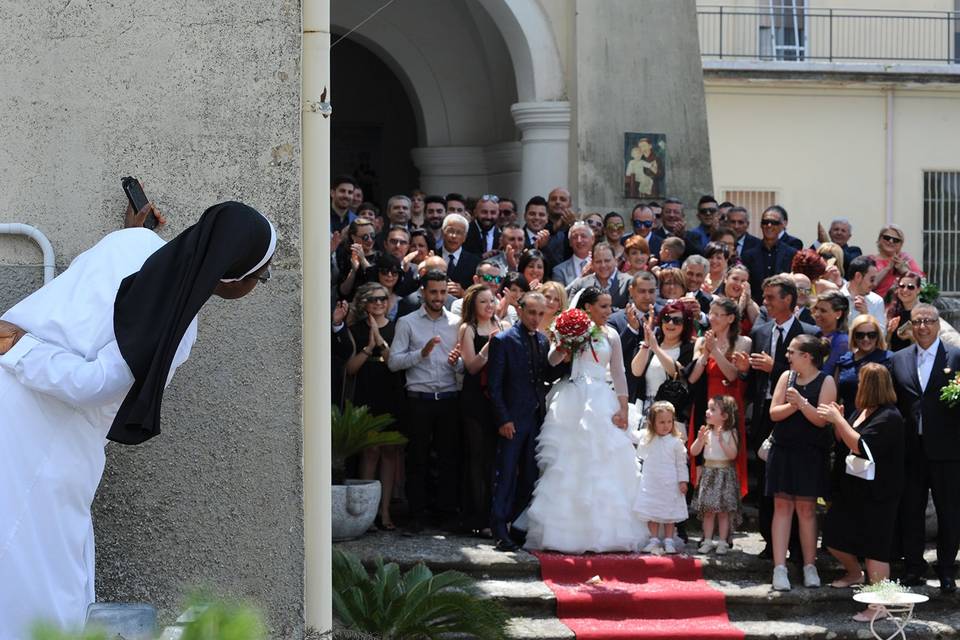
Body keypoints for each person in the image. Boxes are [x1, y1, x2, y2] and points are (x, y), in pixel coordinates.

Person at [0, 200, 275, 636]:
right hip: (43, 432)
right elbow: (96, 385)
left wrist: (135, 228)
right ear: (234, 272)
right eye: (262, 275)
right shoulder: (178, 323)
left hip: (16, 404)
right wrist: (17, 350)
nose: (257, 284)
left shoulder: (133, 241)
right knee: (37, 568)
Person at [524, 287, 642, 553]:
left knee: (603, 460)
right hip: (572, 394)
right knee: (568, 460)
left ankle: (607, 532)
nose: (608, 311)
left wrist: (623, 409)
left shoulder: (611, 335)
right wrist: (566, 345)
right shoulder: (571, 329)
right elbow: (552, 359)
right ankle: (563, 531)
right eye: (603, 306)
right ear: (588, 307)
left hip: (602, 397)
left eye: (610, 306)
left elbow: (620, 373)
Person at [816, 364, 904, 622]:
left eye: (861, 381)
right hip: (854, 489)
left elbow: (863, 447)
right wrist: (840, 422)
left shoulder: (890, 416)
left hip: (880, 494)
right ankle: (854, 573)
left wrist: (839, 420)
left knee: (876, 550)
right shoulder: (863, 411)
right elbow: (846, 440)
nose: (856, 386)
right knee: (833, 535)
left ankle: (880, 606)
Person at [748, 275, 821, 557]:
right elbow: (754, 378)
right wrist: (747, 367)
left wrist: (775, 367)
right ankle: (770, 541)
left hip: (800, 414)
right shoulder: (761, 331)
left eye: (770, 298)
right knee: (769, 480)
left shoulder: (810, 332)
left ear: (788, 299)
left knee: (797, 484)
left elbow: (811, 374)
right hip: (767, 412)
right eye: (764, 297)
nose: (765, 303)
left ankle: (797, 546)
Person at [890, 303, 960, 592]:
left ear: (938, 323)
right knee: (911, 511)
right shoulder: (899, 359)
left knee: (949, 512)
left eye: (928, 321)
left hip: (948, 451)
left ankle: (945, 569)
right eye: (917, 321)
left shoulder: (956, 356)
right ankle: (913, 567)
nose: (922, 326)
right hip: (911, 450)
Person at [387, 270, 462, 532]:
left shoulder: (456, 322)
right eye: (434, 292)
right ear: (423, 292)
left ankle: (446, 513)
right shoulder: (407, 322)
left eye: (443, 292)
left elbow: (464, 365)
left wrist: (458, 363)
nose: (439, 297)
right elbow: (393, 362)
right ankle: (417, 515)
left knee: (448, 459)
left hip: (449, 398)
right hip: (418, 399)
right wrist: (422, 353)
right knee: (416, 459)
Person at [766, 335, 838, 591]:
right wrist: (794, 406)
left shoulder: (826, 380)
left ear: (807, 356)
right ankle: (779, 568)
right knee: (782, 508)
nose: (788, 356)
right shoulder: (786, 377)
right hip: (783, 451)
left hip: (810, 453)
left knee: (807, 511)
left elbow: (822, 419)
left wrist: (802, 403)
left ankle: (810, 566)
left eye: (792, 352)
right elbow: (774, 413)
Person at [486, 291, 554, 551]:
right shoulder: (503, 340)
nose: (536, 318)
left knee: (529, 476)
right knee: (505, 476)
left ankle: (514, 523)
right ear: (521, 311)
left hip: (536, 418)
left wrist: (567, 353)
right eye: (532, 313)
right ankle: (499, 528)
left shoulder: (542, 339)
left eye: (540, 313)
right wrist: (503, 418)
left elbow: (547, 373)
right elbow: (494, 386)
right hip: (512, 419)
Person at [344, 282, 406, 531]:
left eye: (382, 298)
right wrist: (369, 347)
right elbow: (350, 369)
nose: (379, 303)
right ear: (363, 303)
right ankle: (366, 514)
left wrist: (380, 341)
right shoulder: (354, 329)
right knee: (369, 451)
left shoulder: (396, 327)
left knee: (390, 452)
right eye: (373, 299)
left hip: (391, 390)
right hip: (366, 390)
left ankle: (385, 511)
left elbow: (394, 362)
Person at [452, 284, 510, 537]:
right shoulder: (468, 329)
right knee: (477, 457)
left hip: (497, 398)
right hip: (474, 398)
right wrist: (489, 345)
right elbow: (472, 367)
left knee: (494, 459)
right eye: (483, 302)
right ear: (473, 306)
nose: (489, 306)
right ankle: (477, 516)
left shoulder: (505, 326)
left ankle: (495, 515)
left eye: (492, 301)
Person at [687, 298, 751, 501]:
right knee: (705, 449)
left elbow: (733, 375)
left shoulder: (743, 342)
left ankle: (728, 503)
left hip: (729, 404)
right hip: (706, 401)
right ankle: (705, 503)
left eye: (717, 314)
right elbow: (693, 377)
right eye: (711, 313)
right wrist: (705, 353)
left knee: (728, 449)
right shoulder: (701, 340)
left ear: (730, 318)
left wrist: (715, 350)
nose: (712, 318)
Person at [689, 395, 742, 555]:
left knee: (724, 511)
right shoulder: (706, 431)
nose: (707, 412)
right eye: (708, 408)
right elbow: (693, 451)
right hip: (709, 473)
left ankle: (723, 541)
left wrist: (721, 441)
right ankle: (707, 540)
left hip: (724, 474)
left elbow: (732, 455)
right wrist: (699, 440)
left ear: (724, 416)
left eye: (712, 409)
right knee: (709, 511)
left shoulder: (730, 433)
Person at [634, 401, 689, 554]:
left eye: (669, 422)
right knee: (652, 510)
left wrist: (683, 481)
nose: (666, 425)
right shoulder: (648, 438)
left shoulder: (676, 442)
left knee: (669, 513)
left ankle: (669, 540)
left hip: (670, 483)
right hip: (652, 481)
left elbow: (681, 463)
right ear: (653, 423)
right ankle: (653, 539)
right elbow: (635, 441)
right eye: (662, 422)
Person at [631, 301, 696, 415]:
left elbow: (680, 373)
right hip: (646, 408)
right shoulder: (651, 344)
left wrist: (656, 348)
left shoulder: (689, 348)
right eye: (666, 318)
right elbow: (636, 371)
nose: (670, 323)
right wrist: (647, 345)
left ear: (685, 324)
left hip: (671, 411)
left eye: (677, 321)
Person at [835, 315, 891, 419]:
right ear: (853, 337)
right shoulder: (844, 360)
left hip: (877, 420)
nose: (866, 339)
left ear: (878, 336)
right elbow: (836, 395)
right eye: (860, 335)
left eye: (871, 335)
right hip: (847, 418)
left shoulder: (889, 359)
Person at [741, 207, 799, 303]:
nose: (769, 225)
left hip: (782, 306)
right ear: (761, 225)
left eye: (774, 222)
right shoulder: (748, 255)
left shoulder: (791, 253)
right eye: (765, 222)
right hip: (756, 307)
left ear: (782, 225)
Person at [565, 242, 632, 310]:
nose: (603, 265)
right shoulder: (580, 284)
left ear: (615, 261)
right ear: (592, 263)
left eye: (607, 261)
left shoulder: (629, 282)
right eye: (598, 261)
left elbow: (634, 312)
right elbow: (571, 313)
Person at [872, 224, 923, 299]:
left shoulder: (906, 258)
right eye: (887, 238)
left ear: (901, 244)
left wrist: (903, 270)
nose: (891, 241)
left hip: (903, 305)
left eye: (896, 240)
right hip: (877, 305)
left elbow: (921, 285)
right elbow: (868, 286)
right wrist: (888, 268)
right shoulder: (870, 260)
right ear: (880, 239)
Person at [841, 256, 886, 333]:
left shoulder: (877, 301)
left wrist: (866, 316)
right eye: (871, 279)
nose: (875, 283)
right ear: (858, 276)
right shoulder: (837, 297)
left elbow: (882, 334)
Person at [439, 213, 481, 296]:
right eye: (450, 231)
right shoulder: (432, 256)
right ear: (442, 232)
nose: (454, 236)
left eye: (459, 233)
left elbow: (478, 293)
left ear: (465, 237)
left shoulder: (475, 262)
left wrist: (463, 293)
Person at [810, 290, 849, 375]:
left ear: (838, 314)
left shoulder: (842, 342)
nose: (817, 314)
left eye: (823, 311)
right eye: (816, 308)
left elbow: (828, 371)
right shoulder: (813, 333)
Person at [886, 271, 922, 351]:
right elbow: (885, 344)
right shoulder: (891, 311)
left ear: (918, 290)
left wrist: (911, 337)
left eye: (910, 287)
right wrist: (889, 332)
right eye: (902, 286)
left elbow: (928, 346)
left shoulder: (923, 313)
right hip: (893, 359)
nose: (905, 290)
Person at [550, 221, 593, 286]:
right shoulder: (559, 270)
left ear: (592, 240)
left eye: (583, 236)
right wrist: (581, 277)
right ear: (570, 242)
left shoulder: (602, 264)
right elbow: (560, 295)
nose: (579, 240)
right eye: (575, 237)